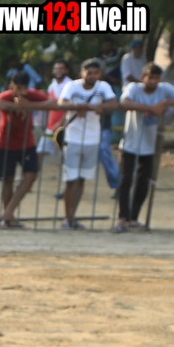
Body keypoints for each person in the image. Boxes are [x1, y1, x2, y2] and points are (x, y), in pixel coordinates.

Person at [115, 63, 174, 232]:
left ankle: (133, 217)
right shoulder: (134, 88)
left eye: (156, 78)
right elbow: (124, 102)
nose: (153, 81)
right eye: (150, 77)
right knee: (126, 181)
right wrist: (150, 108)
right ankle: (122, 218)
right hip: (130, 143)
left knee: (143, 183)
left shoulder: (163, 89)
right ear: (143, 78)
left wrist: (166, 102)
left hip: (150, 145)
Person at [57, 58, 117, 229]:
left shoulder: (103, 86)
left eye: (95, 73)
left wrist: (101, 107)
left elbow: (114, 103)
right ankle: (67, 218)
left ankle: (72, 216)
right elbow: (62, 102)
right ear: (81, 73)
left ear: (100, 74)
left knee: (82, 179)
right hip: (73, 138)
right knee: (71, 180)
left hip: (92, 138)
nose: (92, 76)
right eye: (89, 72)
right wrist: (79, 105)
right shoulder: (72, 86)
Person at [0, 71, 51, 228]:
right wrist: (15, 106)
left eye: (24, 88)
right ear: (12, 86)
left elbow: (53, 103)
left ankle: (8, 211)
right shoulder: (7, 95)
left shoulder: (32, 94)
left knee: (31, 174)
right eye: (19, 88)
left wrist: (29, 105)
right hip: (6, 144)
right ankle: (8, 218)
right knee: (7, 179)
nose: (22, 92)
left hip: (26, 143)